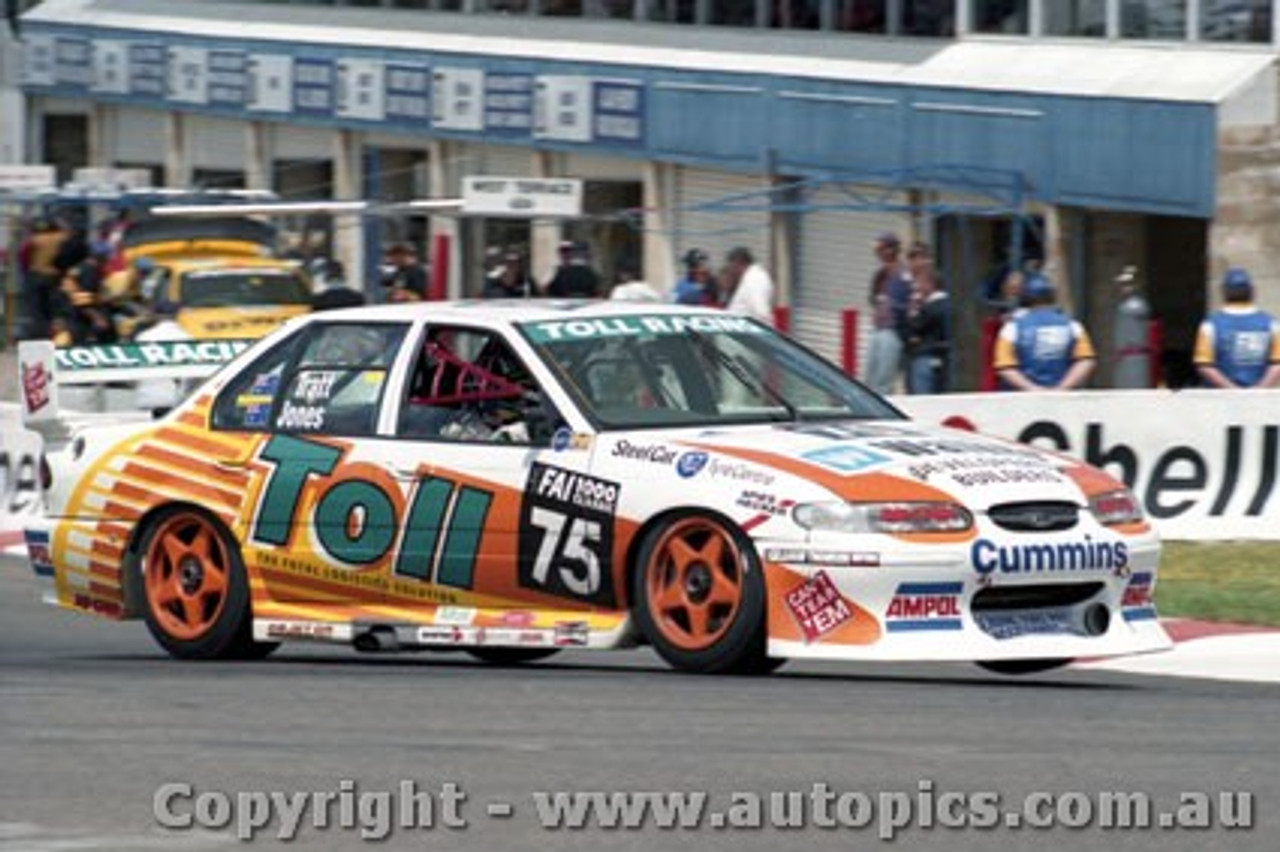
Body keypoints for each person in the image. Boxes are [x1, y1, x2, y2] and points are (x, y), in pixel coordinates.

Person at [993, 273, 1096, 391]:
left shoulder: (1012, 328)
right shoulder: (1073, 325)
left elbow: (1004, 366)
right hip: (1062, 400)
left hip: (1020, 400)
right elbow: (1086, 360)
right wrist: (1062, 388)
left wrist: (1033, 389)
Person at [1194, 268, 1280, 389]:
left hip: (1219, 400)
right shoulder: (1271, 323)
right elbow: (1277, 364)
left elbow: (1204, 365)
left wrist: (1233, 390)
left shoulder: (1210, 324)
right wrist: (1259, 390)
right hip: (1259, 401)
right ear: (1252, 291)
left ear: (1224, 292)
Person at [864, 232, 912, 394]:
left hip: (893, 330)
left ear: (892, 250)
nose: (878, 253)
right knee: (870, 375)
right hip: (878, 328)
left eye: (882, 249)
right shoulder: (880, 274)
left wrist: (891, 305)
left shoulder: (903, 274)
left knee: (883, 378)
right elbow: (872, 298)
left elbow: (907, 303)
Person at [904, 243, 950, 394]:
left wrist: (914, 310)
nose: (917, 288)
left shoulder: (933, 306)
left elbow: (915, 326)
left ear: (930, 284)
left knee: (922, 398)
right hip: (937, 357)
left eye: (920, 284)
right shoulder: (943, 304)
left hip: (925, 357)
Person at [721, 246, 774, 325]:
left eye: (732, 266)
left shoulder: (754, 279)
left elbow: (761, 312)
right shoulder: (751, 277)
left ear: (738, 263)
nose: (731, 270)